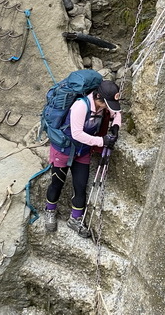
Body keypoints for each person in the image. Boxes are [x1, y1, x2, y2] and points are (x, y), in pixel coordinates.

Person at [44, 80, 122, 237]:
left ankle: (75, 219)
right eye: (107, 104)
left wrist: (115, 127)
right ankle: (50, 211)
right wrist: (102, 141)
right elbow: (77, 134)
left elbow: (117, 113)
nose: (108, 107)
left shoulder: (103, 106)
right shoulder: (80, 106)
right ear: (98, 97)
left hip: (83, 151)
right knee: (57, 183)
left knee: (81, 185)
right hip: (64, 149)